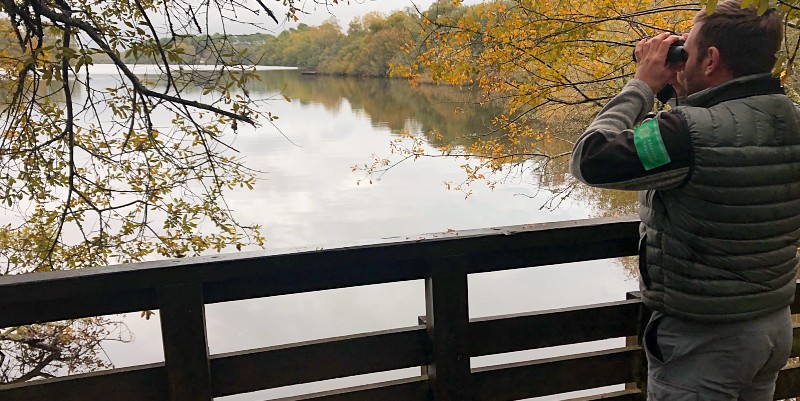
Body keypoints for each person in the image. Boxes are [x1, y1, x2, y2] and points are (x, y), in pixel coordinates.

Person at [569, 1, 800, 400]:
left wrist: (641, 85)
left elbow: (590, 159)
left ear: (711, 60)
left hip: (704, 341)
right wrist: (685, 96)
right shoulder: (793, 117)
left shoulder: (683, 134)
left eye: (687, 52)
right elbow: (726, 143)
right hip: (772, 327)